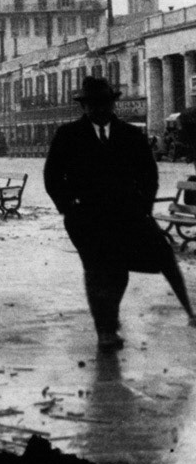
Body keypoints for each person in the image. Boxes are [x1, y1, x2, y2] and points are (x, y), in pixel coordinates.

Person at [44, 77, 196, 351]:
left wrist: (144, 208)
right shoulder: (68, 135)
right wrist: (68, 207)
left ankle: (118, 319)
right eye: (92, 104)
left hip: (126, 215)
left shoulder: (130, 134)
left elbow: (149, 175)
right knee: (96, 270)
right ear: (84, 107)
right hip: (86, 218)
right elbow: (53, 176)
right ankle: (104, 331)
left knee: (125, 268)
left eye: (104, 103)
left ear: (112, 104)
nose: (99, 109)